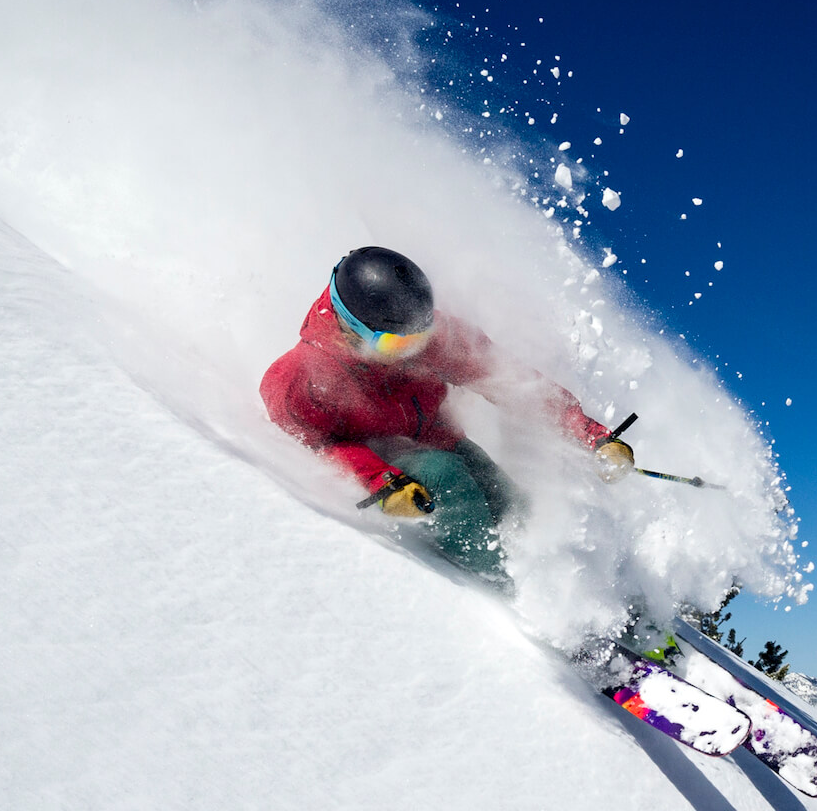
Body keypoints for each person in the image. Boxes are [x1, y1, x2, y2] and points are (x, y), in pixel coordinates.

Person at [261, 246, 633, 585]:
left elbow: (515, 384)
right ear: (352, 329)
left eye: (418, 338)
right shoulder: (301, 379)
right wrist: (380, 481)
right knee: (447, 476)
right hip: (381, 457)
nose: (411, 351)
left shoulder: (436, 340)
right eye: (396, 343)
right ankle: (513, 588)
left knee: (507, 497)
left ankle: (570, 579)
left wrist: (592, 435)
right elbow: (321, 444)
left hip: (439, 437)